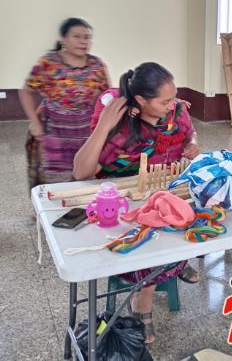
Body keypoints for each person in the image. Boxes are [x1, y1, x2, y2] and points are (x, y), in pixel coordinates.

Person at [73, 62, 200, 343]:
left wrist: (192, 142)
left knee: (187, 219)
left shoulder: (176, 112)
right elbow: (81, 172)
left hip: (163, 191)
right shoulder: (120, 122)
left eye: (174, 97)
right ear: (141, 100)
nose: (173, 106)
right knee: (147, 237)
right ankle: (143, 299)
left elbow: (189, 132)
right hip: (125, 202)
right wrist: (103, 126)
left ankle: (174, 264)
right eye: (165, 101)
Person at [19, 18, 109, 189]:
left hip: (85, 129)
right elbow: (26, 91)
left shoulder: (97, 65)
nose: (83, 41)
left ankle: (82, 205)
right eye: (77, 36)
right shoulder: (48, 63)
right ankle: (50, 205)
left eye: (87, 37)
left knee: (85, 172)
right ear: (63, 39)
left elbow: (106, 96)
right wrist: (35, 123)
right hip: (53, 129)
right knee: (53, 177)